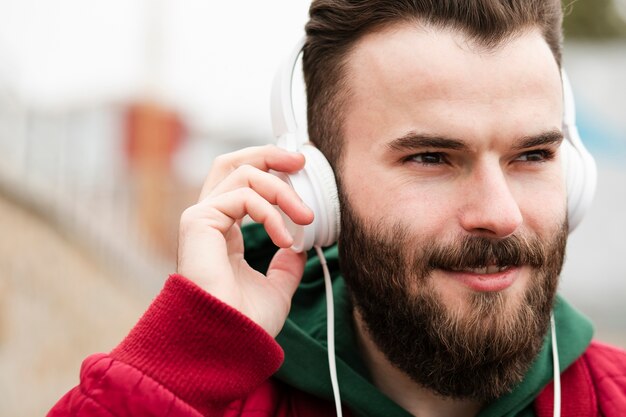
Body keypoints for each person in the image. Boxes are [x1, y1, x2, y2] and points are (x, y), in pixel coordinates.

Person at [49, 1, 626, 416]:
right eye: (430, 157)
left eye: (532, 154)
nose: (499, 215)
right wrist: (189, 355)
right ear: (319, 192)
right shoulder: (207, 400)